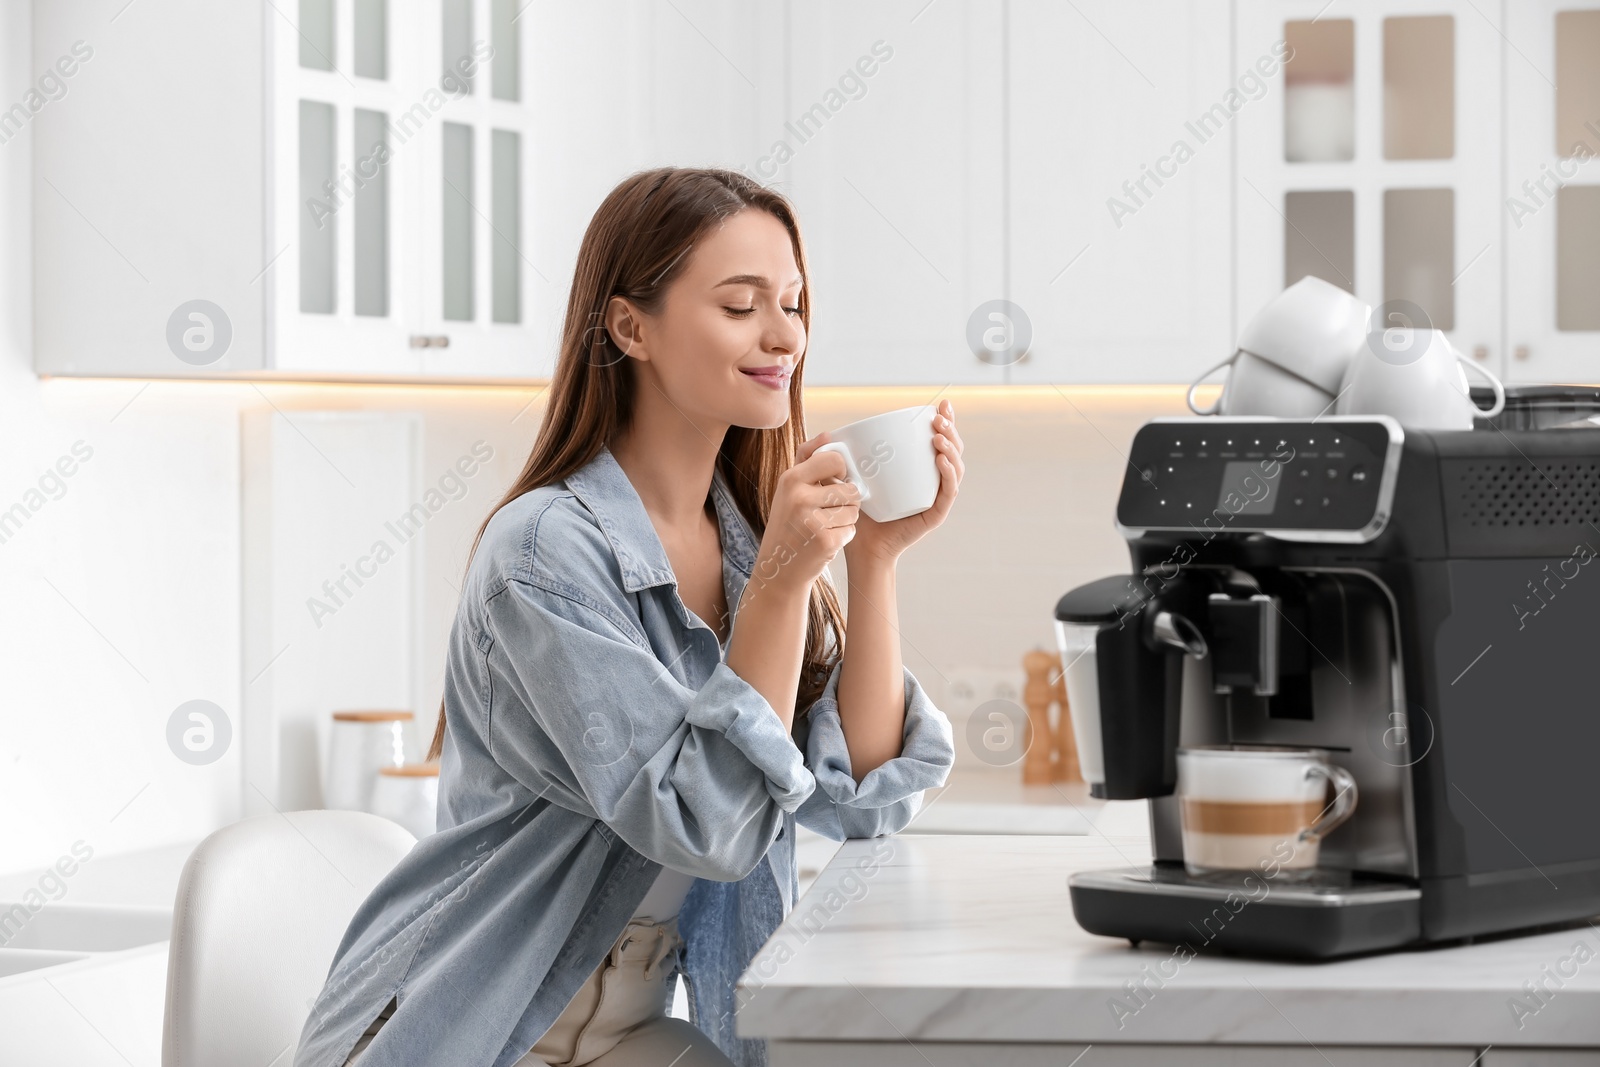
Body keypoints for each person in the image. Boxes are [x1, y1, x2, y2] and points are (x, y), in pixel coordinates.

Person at [291, 166, 962, 1067]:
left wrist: (871, 558)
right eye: (740, 305)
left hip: (629, 1031)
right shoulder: (544, 555)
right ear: (629, 326)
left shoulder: (741, 544)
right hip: (466, 1030)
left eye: (795, 304)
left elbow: (862, 794)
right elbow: (710, 827)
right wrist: (781, 582)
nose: (783, 335)